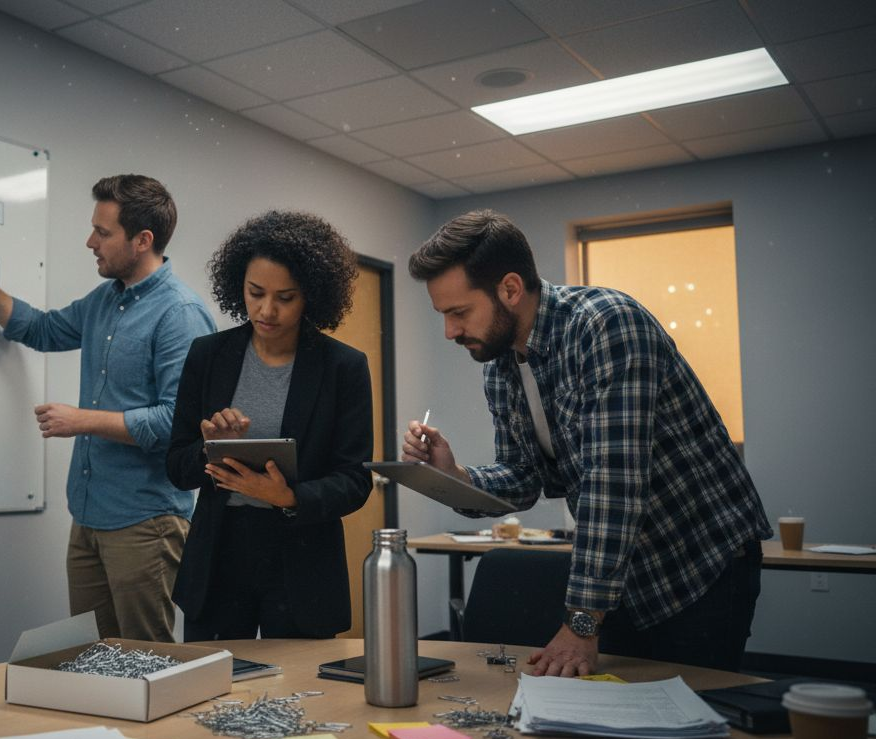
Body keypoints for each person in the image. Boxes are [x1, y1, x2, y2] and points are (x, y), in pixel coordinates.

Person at [401, 209, 771, 676]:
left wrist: (580, 623)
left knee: (696, 720)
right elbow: (523, 478)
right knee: (623, 716)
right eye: (443, 315)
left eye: (459, 312)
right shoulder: (500, 368)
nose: (450, 332)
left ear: (510, 290)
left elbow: (611, 485)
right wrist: (454, 476)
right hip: (626, 575)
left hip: (700, 560)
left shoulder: (606, 325)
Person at [0, 174, 215, 642]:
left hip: (146, 520)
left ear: (143, 240)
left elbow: (176, 422)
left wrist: (82, 421)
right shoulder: (105, 301)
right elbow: (39, 329)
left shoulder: (179, 313)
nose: (90, 242)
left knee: (146, 661)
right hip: (88, 514)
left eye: (102, 233)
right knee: (92, 659)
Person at [167, 210, 373, 641]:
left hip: (301, 561)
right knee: (212, 692)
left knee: (304, 698)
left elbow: (355, 480)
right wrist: (208, 446)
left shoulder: (344, 368)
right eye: (255, 292)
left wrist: (289, 496)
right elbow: (176, 465)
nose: (267, 310)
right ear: (237, 284)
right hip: (219, 556)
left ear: (312, 296)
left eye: (286, 297)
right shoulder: (208, 355)